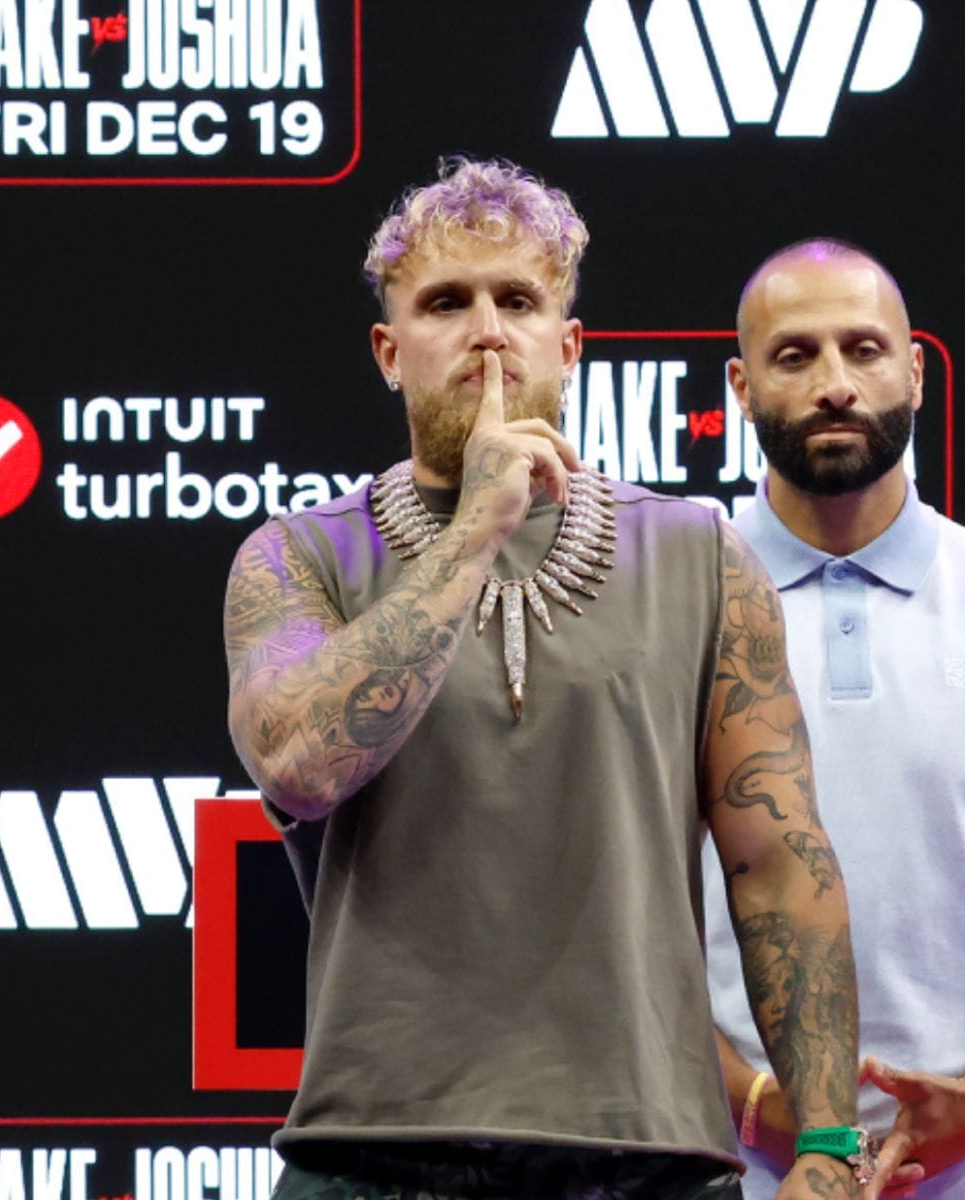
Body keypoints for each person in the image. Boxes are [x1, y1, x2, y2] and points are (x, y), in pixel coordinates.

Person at [222, 159, 867, 1200]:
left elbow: (779, 863)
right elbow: (299, 764)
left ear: (568, 347)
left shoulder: (698, 558)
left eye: (517, 299)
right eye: (446, 302)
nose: (486, 331)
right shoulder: (298, 557)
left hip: (646, 1154)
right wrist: (474, 528)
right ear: (389, 354)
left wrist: (833, 1147)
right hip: (376, 1150)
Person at [701, 238, 965, 1200]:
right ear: (740, 384)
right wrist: (749, 1101)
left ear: (913, 370)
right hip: (730, 1159)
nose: (833, 384)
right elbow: (614, 906)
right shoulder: (679, 606)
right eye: (795, 356)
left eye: (863, 350)